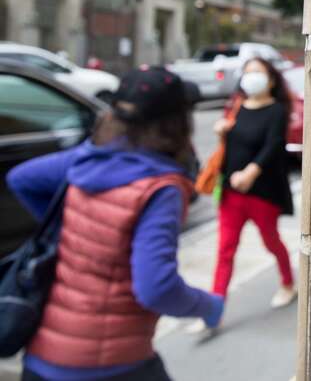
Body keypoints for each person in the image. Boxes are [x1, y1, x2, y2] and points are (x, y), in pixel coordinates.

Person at [7, 66, 223, 381]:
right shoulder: (161, 188)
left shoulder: (88, 158)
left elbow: (22, 179)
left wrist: (70, 232)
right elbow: (155, 288)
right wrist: (207, 305)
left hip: (41, 360)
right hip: (111, 366)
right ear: (178, 123)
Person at [210, 57, 295, 313]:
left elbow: (273, 146)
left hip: (263, 192)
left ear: (270, 79)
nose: (251, 77)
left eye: (257, 72)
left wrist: (250, 173)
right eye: (247, 73)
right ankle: (214, 309)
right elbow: (230, 146)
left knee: (271, 241)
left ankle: (288, 283)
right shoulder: (237, 106)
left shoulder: (277, 110)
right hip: (231, 192)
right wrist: (220, 131)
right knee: (225, 249)